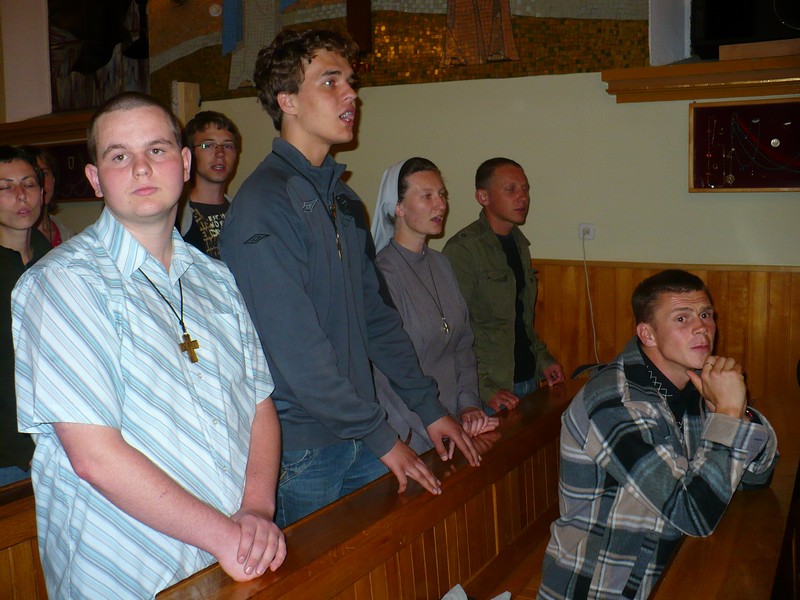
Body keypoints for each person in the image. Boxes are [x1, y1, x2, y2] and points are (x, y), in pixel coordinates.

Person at [12, 92, 286, 598]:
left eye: (156, 150)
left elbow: (258, 402)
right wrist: (228, 537)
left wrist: (256, 509)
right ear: (95, 179)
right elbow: (95, 457)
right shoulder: (64, 284)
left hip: (230, 555)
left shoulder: (216, 279)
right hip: (128, 568)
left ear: (185, 163)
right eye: (119, 156)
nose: (141, 167)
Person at [219, 28, 480, 527]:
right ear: (287, 101)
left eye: (351, 82)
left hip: (361, 429)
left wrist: (429, 408)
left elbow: (377, 319)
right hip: (302, 446)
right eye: (330, 81)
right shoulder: (263, 204)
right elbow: (295, 349)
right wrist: (382, 437)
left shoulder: (343, 200)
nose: (351, 94)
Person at [537, 269, 778, 600]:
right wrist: (727, 414)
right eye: (681, 318)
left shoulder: (694, 382)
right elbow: (692, 513)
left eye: (706, 314)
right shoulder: (614, 403)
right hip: (602, 586)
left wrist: (739, 413)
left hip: (669, 561)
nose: (702, 328)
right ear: (647, 334)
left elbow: (757, 477)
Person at [370, 157, 498, 454]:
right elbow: (386, 374)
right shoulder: (381, 275)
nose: (441, 205)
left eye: (442, 195)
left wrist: (469, 406)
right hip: (408, 434)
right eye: (427, 196)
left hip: (454, 424)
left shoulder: (442, 264)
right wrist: (432, 428)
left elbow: (463, 344)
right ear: (398, 207)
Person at [443, 158, 564, 414]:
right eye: (510, 189)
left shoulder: (519, 244)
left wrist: (543, 360)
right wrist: (484, 389)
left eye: (525, 189)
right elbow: (453, 331)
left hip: (527, 380)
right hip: (488, 393)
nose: (522, 197)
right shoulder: (463, 250)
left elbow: (521, 319)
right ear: (483, 197)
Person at [0, 147, 50, 487]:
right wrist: (20, 449)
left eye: (28, 184)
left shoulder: (51, 258)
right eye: (6, 187)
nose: (21, 195)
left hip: (53, 444)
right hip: (10, 457)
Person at [177, 111, 241, 258]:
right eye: (209, 145)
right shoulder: (177, 217)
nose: (220, 153)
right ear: (189, 154)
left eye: (228, 146)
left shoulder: (243, 212)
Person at [21, 145, 72, 247]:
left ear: (54, 179)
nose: (40, 182)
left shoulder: (68, 236)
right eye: (31, 176)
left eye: (44, 174)